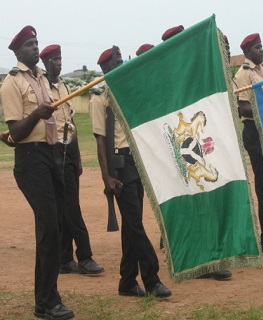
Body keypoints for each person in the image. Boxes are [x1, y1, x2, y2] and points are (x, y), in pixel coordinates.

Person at [1, 26, 74, 319]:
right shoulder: (11, 84)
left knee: (54, 226)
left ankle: (46, 298)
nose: (35, 47)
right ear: (18, 52)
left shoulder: (43, 79)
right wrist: (37, 114)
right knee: (50, 227)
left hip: (52, 154)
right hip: (30, 160)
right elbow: (15, 133)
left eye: (36, 43)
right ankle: (46, 301)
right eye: (29, 44)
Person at [89, 46, 172, 298]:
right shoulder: (98, 97)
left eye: (122, 59)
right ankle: (152, 278)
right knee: (135, 225)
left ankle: (126, 281)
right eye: (116, 61)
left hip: (134, 163)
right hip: (118, 167)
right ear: (105, 68)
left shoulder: (125, 89)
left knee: (130, 225)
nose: (122, 63)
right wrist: (106, 177)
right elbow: (100, 140)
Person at [160, 26, 233, 281]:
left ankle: (205, 257)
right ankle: (192, 257)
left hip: (195, 146)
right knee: (186, 200)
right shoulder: (164, 76)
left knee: (202, 198)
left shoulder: (190, 73)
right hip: (175, 149)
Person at [39, 44, 104, 275]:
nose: (59, 63)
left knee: (68, 206)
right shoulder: (41, 88)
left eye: (60, 59)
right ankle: (84, 257)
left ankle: (65, 259)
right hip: (52, 152)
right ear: (45, 62)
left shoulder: (65, 87)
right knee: (69, 208)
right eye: (55, 60)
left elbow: (71, 124)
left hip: (69, 151)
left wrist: (77, 158)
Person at [233, 33, 263, 253]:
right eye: (257, 48)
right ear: (247, 53)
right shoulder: (243, 75)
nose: (261, 50)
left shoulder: (261, 71)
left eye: (261, 46)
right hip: (253, 131)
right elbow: (243, 107)